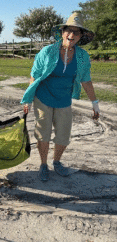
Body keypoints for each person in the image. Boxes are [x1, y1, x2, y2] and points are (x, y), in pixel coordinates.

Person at [22, 12, 100, 182]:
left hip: (64, 99)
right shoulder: (47, 52)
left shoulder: (82, 57)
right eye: (68, 30)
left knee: (63, 135)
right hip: (43, 97)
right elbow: (34, 75)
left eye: (76, 32)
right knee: (43, 133)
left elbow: (86, 80)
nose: (71, 35)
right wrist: (28, 98)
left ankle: (56, 161)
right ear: (62, 32)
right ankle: (43, 164)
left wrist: (95, 103)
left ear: (81, 36)